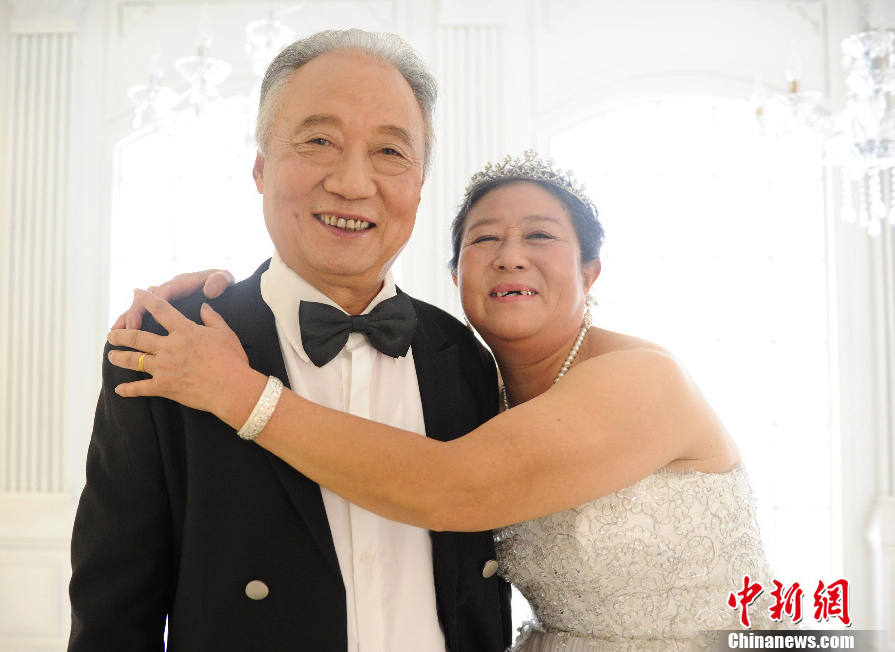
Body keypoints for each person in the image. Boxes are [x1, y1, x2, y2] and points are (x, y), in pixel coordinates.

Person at [109, 151, 784, 650]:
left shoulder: (645, 380)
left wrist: (241, 392)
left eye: (540, 236)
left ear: (590, 273)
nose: (510, 256)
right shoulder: (466, 383)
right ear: (456, 276)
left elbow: (450, 487)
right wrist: (211, 300)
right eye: (483, 239)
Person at [69, 29, 512, 652]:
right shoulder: (169, 339)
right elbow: (112, 616)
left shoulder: (466, 357)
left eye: (390, 151)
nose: (353, 183)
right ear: (260, 166)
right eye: (319, 141)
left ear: (419, 183)